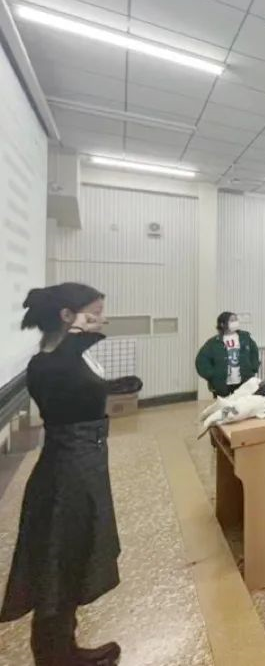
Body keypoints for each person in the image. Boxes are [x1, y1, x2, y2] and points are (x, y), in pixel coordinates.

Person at [3, 283, 122, 665]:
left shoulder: (66, 359)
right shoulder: (47, 364)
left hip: (84, 464)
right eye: (95, 312)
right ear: (67, 316)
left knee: (73, 555)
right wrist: (79, 337)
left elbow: (80, 388)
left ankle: (64, 648)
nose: (102, 319)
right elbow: (64, 376)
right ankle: (53, 653)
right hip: (67, 472)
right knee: (60, 560)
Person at [195, 311, 260, 398]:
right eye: (232, 320)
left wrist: (253, 367)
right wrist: (212, 375)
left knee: (244, 404)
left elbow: (254, 353)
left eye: (236, 320)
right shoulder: (213, 342)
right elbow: (202, 360)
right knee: (224, 405)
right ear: (222, 324)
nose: (236, 322)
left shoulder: (245, 337)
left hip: (244, 381)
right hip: (222, 385)